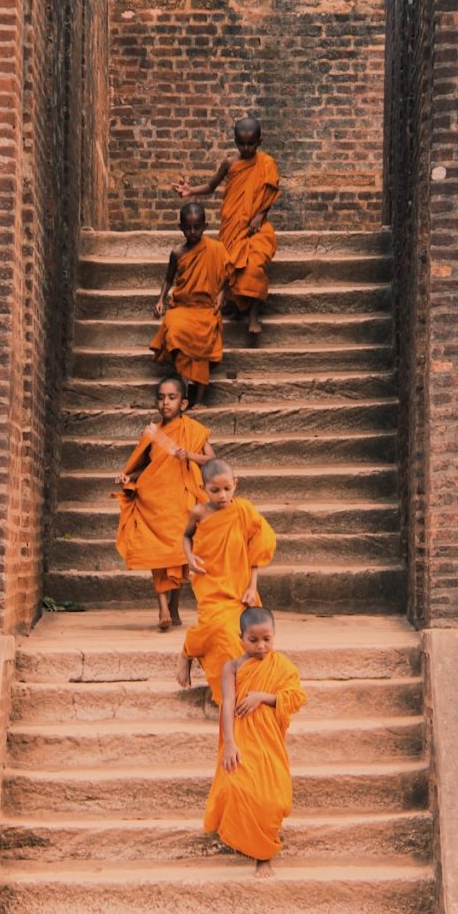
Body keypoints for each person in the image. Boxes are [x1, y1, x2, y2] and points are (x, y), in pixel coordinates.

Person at [204, 606, 307, 876]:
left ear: (274, 637)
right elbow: (227, 704)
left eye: (267, 639)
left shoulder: (282, 666)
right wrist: (229, 743)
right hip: (241, 734)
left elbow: (296, 698)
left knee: (273, 797)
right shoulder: (232, 667)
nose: (261, 646)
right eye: (253, 640)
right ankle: (253, 848)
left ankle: (265, 852)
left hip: (268, 738)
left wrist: (261, 697)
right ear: (241, 639)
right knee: (238, 785)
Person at [113, 376, 215, 630]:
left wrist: (188, 454)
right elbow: (144, 467)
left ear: (183, 403)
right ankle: (162, 609)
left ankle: (174, 606)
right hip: (154, 500)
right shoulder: (152, 433)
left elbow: (211, 461)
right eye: (161, 397)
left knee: (179, 555)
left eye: (172, 397)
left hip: (180, 500)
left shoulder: (193, 430)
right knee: (158, 554)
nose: (165, 402)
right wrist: (128, 477)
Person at [175, 458, 275, 703]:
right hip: (209, 580)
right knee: (214, 626)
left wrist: (253, 587)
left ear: (235, 484)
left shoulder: (244, 511)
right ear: (203, 488)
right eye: (215, 490)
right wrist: (189, 557)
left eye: (227, 489)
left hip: (239, 585)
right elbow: (186, 537)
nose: (222, 495)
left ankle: (238, 693)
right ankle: (187, 652)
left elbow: (257, 550)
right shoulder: (199, 512)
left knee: (235, 637)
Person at [173, 116, 280, 335]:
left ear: (260, 141)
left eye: (251, 143)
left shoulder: (267, 163)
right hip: (233, 224)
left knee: (256, 263)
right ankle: (237, 306)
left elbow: (269, 193)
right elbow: (212, 185)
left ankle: (253, 314)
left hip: (257, 226)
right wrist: (190, 190)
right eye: (241, 143)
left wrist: (260, 215)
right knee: (230, 263)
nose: (246, 148)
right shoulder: (230, 163)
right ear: (235, 141)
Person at [150, 202, 228, 408]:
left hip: (205, 307)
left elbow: (226, 277)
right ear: (180, 227)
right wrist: (160, 300)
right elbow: (168, 279)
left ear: (205, 226)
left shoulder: (216, 249)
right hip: (183, 307)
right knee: (174, 329)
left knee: (203, 338)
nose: (192, 232)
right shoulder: (177, 253)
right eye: (188, 228)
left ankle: (199, 399)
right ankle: (183, 390)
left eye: (197, 227)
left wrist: (221, 296)